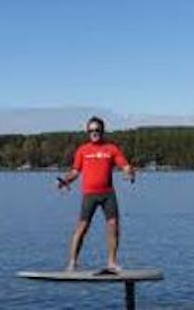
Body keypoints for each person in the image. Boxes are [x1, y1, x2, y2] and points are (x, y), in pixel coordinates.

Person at [57, 116, 135, 272]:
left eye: (97, 130)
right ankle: (72, 263)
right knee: (82, 228)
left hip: (108, 194)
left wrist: (129, 173)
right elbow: (75, 171)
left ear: (102, 131)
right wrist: (66, 181)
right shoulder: (82, 150)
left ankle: (112, 263)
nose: (94, 133)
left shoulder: (111, 149)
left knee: (113, 226)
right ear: (87, 132)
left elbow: (124, 165)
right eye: (91, 130)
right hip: (89, 195)